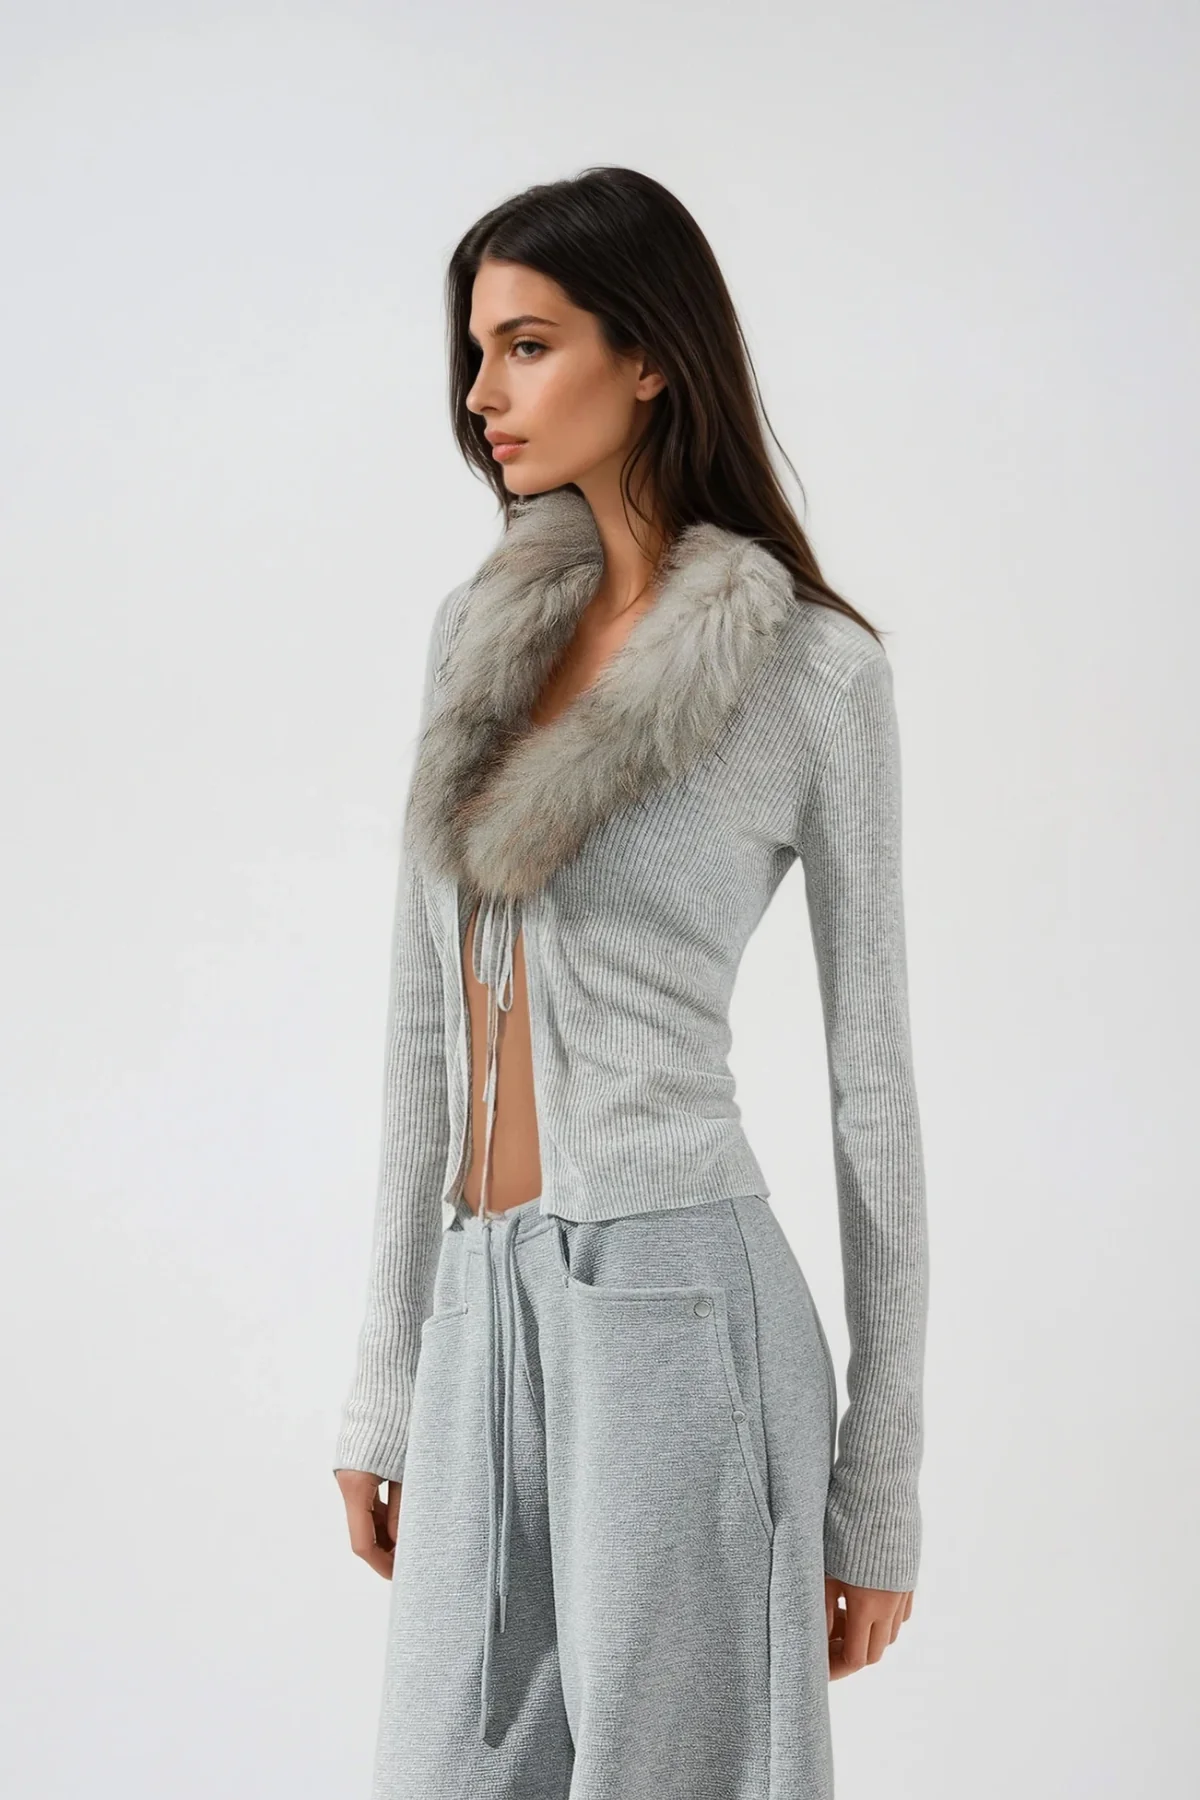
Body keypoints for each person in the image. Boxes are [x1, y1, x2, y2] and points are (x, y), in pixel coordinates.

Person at [332, 165, 929, 1800]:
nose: (482, 394)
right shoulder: (479, 634)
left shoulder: (815, 673)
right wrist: (388, 1374)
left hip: (684, 1311)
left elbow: (875, 1089)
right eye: (477, 350)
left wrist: (879, 1483)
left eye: (527, 346)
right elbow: (419, 1024)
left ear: (651, 355)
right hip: (481, 1311)